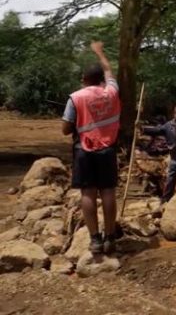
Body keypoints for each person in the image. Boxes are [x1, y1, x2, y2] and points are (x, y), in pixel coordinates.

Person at [61, 41, 121, 255]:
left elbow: (66, 129)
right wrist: (100, 52)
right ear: (101, 80)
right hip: (107, 150)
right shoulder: (112, 92)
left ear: (85, 80)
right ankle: (111, 237)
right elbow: (108, 70)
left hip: (84, 151)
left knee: (88, 193)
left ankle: (95, 239)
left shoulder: (76, 97)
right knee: (108, 192)